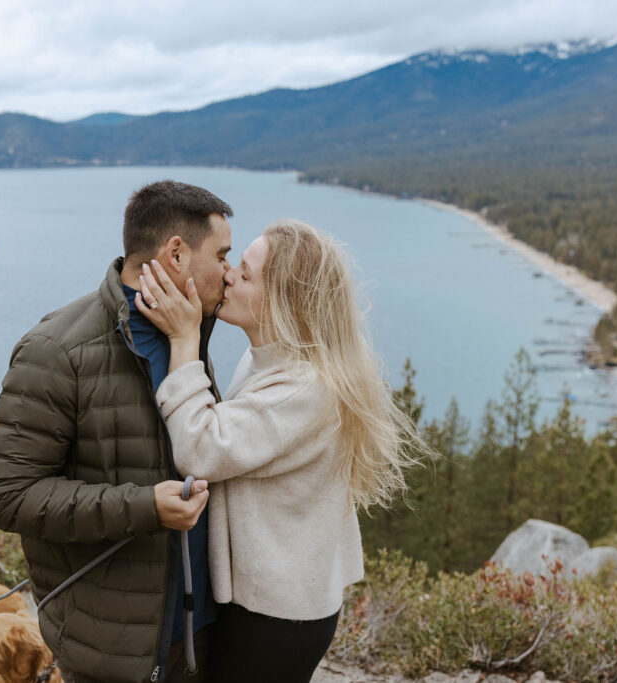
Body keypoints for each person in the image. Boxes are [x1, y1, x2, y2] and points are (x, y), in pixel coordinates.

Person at [135, 219, 427, 683]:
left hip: (276, 618)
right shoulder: (273, 358)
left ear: (284, 303)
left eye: (246, 275)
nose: (229, 275)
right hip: (272, 603)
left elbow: (203, 449)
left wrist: (183, 342)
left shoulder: (304, 387)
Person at [0, 180, 234, 682]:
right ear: (176, 253)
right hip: (112, 650)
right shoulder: (56, 350)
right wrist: (145, 507)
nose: (230, 272)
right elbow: (8, 495)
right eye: (222, 255)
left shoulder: (191, 335)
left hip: (200, 634)